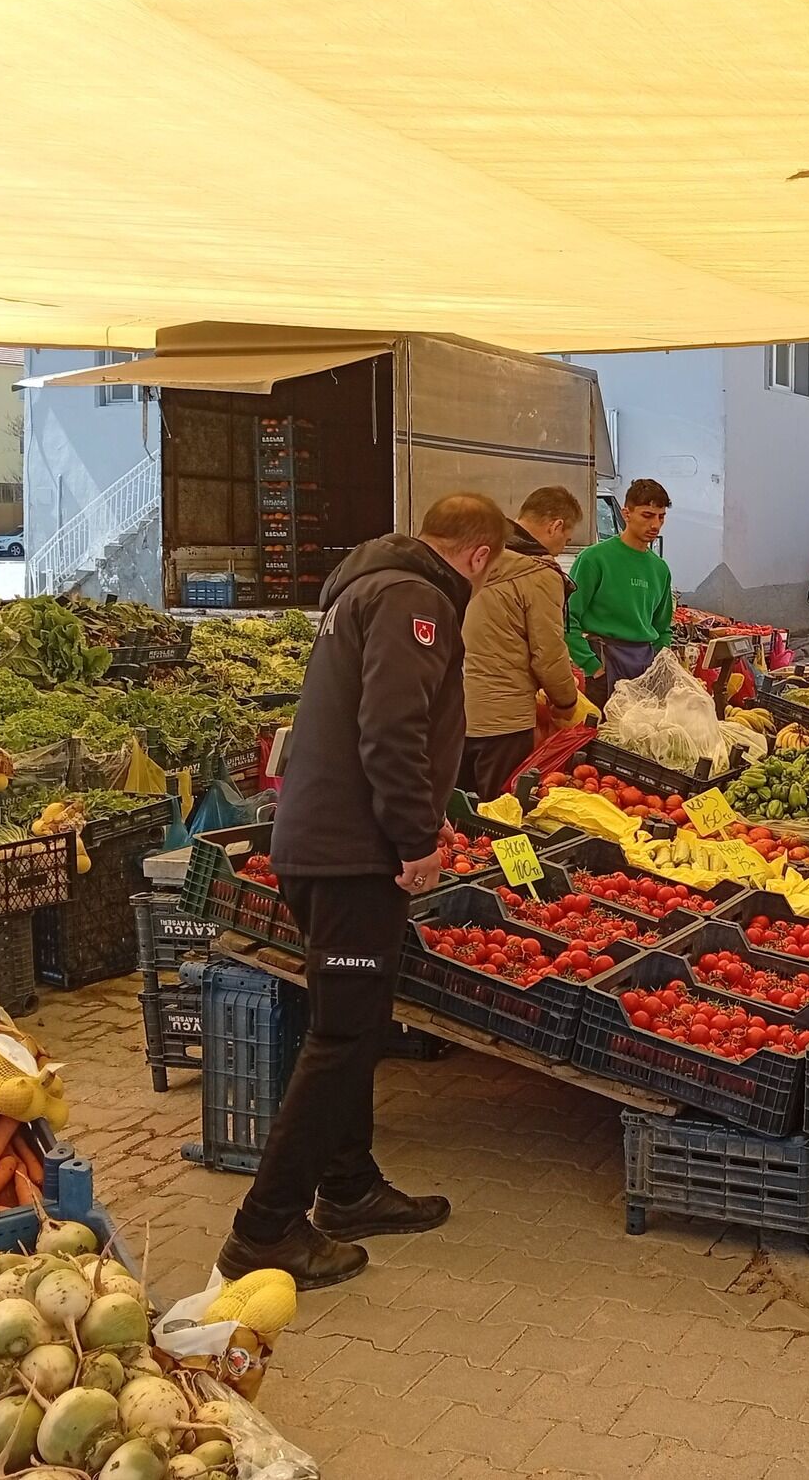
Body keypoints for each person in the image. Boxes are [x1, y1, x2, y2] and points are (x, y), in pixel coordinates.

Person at [215, 493, 507, 1290]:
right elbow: (391, 729)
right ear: (479, 555)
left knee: (349, 1021)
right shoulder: (416, 599)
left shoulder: (367, 586)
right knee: (344, 1036)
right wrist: (415, 841)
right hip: (351, 852)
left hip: (324, 840)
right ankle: (264, 1230)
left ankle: (347, 1187)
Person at [460, 486, 586, 798]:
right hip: (504, 719)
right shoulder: (539, 573)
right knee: (500, 813)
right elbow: (548, 652)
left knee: (458, 809)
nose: (560, 549)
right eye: (565, 540)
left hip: (455, 710)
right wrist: (567, 702)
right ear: (555, 526)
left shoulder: (474, 555)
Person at [567, 478, 674, 705]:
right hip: (604, 663)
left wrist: (658, 664)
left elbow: (663, 628)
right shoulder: (593, 559)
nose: (655, 524)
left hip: (645, 668)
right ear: (626, 514)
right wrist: (591, 665)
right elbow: (567, 617)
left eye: (661, 517)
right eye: (647, 515)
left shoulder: (660, 569)